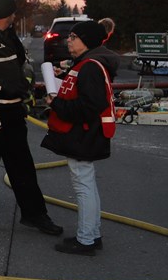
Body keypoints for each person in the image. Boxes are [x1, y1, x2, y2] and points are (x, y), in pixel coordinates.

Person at [0, 0, 63, 236]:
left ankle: (34, 215)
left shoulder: (10, 36)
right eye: (12, 13)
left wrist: (24, 87)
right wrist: (4, 87)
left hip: (13, 112)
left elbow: (20, 64)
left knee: (22, 166)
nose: (14, 16)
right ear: (6, 14)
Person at [41, 20, 117, 255]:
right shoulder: (85, 64)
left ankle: (86, 240)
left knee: (83, 186)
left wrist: (57, 104)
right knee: (87, 184)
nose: (68, 40)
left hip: (84, 135)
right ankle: (91, 234)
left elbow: (90, 105)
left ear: (87, 41)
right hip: (85, 134)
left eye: (74, 37)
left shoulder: (91, 67)